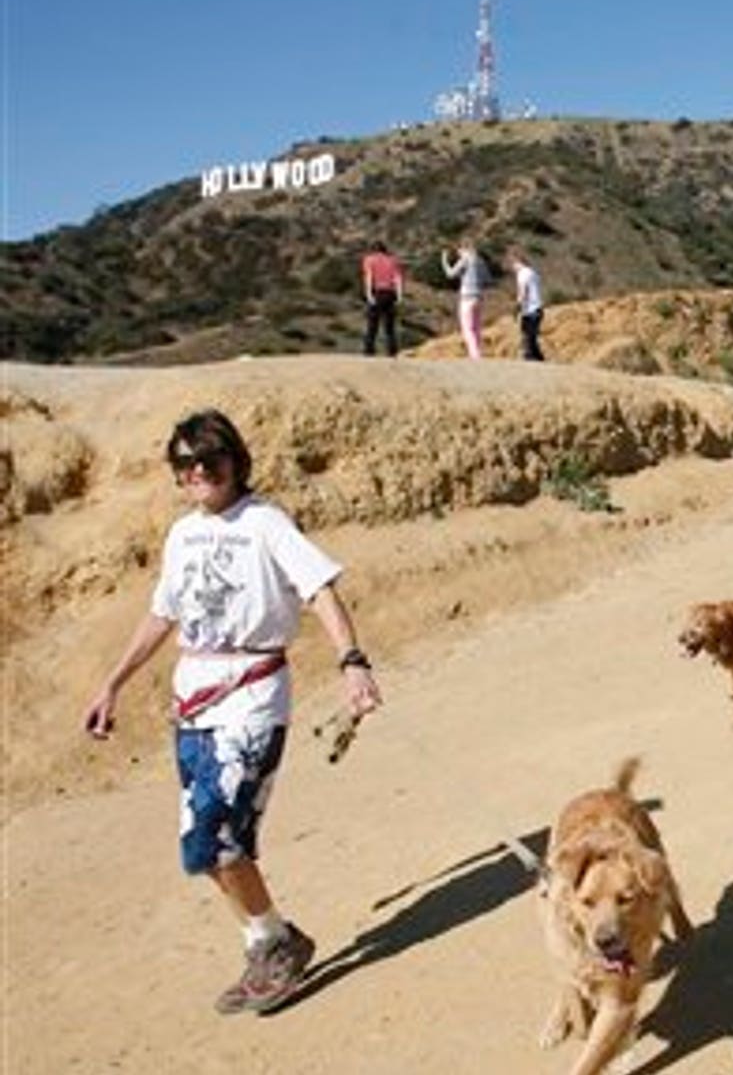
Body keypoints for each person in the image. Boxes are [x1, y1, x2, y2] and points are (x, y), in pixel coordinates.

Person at [81, 410, 383, 1015]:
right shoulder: (181, 534)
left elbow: (319, 589)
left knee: (212, 834)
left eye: (209, 461)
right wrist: (113, 683)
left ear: (235, 461)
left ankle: (274, 943)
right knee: (208, 845)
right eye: (184, 465)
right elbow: (163, 614)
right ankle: (269, 941)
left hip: (252, 696)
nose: (197, 473)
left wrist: (352, 661)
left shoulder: (265, 522)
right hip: (195, 701)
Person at [440, 241, 489, 360]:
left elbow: (450, 274)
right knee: (477, 328)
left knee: (467, 328)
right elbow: (487, 279)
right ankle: (477, 352)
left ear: (464, 249)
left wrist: (444, 260)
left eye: (459, 251)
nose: (459, 254)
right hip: (479, 296)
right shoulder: (480, 261)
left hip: (467, 297)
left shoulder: (465, 260)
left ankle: (475, 355)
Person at [360, 240, 405, 357]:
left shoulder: (369, 260)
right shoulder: (393, 260)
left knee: (372, 324)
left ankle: (369, 350)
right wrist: (400, 295)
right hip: (390, 293)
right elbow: (398, 279)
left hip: (377, 292)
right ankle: (392, 350)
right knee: (389, 325)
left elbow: (369, 276)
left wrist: (369, 294)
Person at [506, 248, 545, 362]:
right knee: (532, 338)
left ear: (516, 261)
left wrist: (517, 307)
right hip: (538, 308)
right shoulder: (532, 272)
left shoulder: (522, 274)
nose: (512, 268)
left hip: (530, 310)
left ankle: (530, 359)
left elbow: (523, 292)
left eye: (512, 264)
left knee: (527, 337)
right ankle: (539, 359)